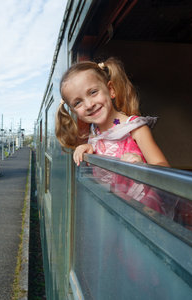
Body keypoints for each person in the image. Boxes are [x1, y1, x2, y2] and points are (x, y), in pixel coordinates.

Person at [55, 57, 170, 213]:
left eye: (93, 92)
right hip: (113, 211)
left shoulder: (135, 128)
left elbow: (164, 168)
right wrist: (90, 147)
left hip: (143, 213)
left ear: (111, 90)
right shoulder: (94, 133)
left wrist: (142, 167)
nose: (89, 105)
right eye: (78, 103)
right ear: (74, 112)